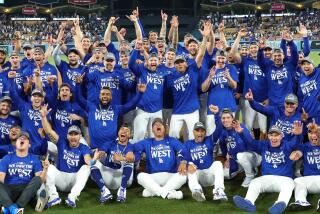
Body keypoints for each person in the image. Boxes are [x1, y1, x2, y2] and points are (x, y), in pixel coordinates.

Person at [233, 121, 303, 214]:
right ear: (268, 136)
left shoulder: (287, 145)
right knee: (254, 182)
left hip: (284, 179)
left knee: (289, 184)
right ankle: (248, 202)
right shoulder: (263, 144)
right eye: (271, 135)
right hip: (267, 178)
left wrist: (298, 135)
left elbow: (296, 144)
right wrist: (241, 133)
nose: (273, 138)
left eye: (276, 135)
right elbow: (251, 142)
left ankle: (280, 204)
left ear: (281, 136)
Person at [40, 104, 102, 208]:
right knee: (49, 167)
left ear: (80, 136)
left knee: (86, 168)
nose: (73, 136)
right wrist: (43, 117)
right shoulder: (62, 142)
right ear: (67, 136)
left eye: (76, 134)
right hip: (61, 178)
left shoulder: (84, 148)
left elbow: (88, 162)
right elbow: (49, 131)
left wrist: (94, 160)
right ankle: (54, 196)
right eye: (71, 134)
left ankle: (72, 197)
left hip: (74, 180)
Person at [75, 81, 146, 150]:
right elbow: (79, 98)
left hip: (112, 150)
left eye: (107, 94)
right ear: (99, 96)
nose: (105, 96)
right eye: (103, 94)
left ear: (111, 97)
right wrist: (78, 85)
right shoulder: (91, 107)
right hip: (95, 149)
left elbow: (131, 104)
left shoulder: (116, 109)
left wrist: (140, 93)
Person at [134, 118, 187, 199]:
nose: (158, 125)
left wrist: (183, 162)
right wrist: (130, 152)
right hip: (153, 177)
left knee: (183, 176)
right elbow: (133, 147)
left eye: (160, 124)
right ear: (152, 130)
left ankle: (155, 191)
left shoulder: (172, 140)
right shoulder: (147, 142)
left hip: (170, 176)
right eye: (155, 124)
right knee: (140, 176)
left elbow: (184, 150)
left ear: (164, 128)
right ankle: (168, 194)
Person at [184, 105, 227, 202]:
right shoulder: (188, 144)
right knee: (190, 165)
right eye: (197, 131)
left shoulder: (209, 139)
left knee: (218, 163)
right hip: (197, 175)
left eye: (202, 131)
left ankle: (218, 191)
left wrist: (216, 114)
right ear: (193, 132)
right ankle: (197, 190)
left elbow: (219, 129)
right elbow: (182, 157)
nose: (200, 133)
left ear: (205, 132)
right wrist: (187, 164)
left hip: (210, 175)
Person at [0, 131, 48, 214]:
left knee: (37, 179)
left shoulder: (34, 159)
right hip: (10, 189)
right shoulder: (7, 158)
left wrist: (45, 169)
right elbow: (1, 179)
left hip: (26, 189)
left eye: (25, 138)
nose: (22, 139)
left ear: (29, 145)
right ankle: (14, 209)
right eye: (19, 138)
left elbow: (40, 181)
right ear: (16, 144)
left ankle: (12, 207)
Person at [90, 124, 135, 203]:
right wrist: (98, 155)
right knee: (92, 163)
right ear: (118, 132)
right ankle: (104, 191)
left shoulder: (130, 146)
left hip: (123, 178)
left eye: (126, 131)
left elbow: (131, 157)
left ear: (130, 135)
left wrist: (121, 158)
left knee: (129, 161)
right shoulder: (111, 143)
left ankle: (122, 191)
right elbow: (102, 152)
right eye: (122, 129)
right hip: (109, 176)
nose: (123, 131)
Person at [289, 121, 320, 211]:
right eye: (310, 132)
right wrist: (296, 154)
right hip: (309, 180)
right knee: (298, 180)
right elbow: (298, 152)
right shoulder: (304, 146)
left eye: (316, 133)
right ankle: (301, 201)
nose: (313, 136)